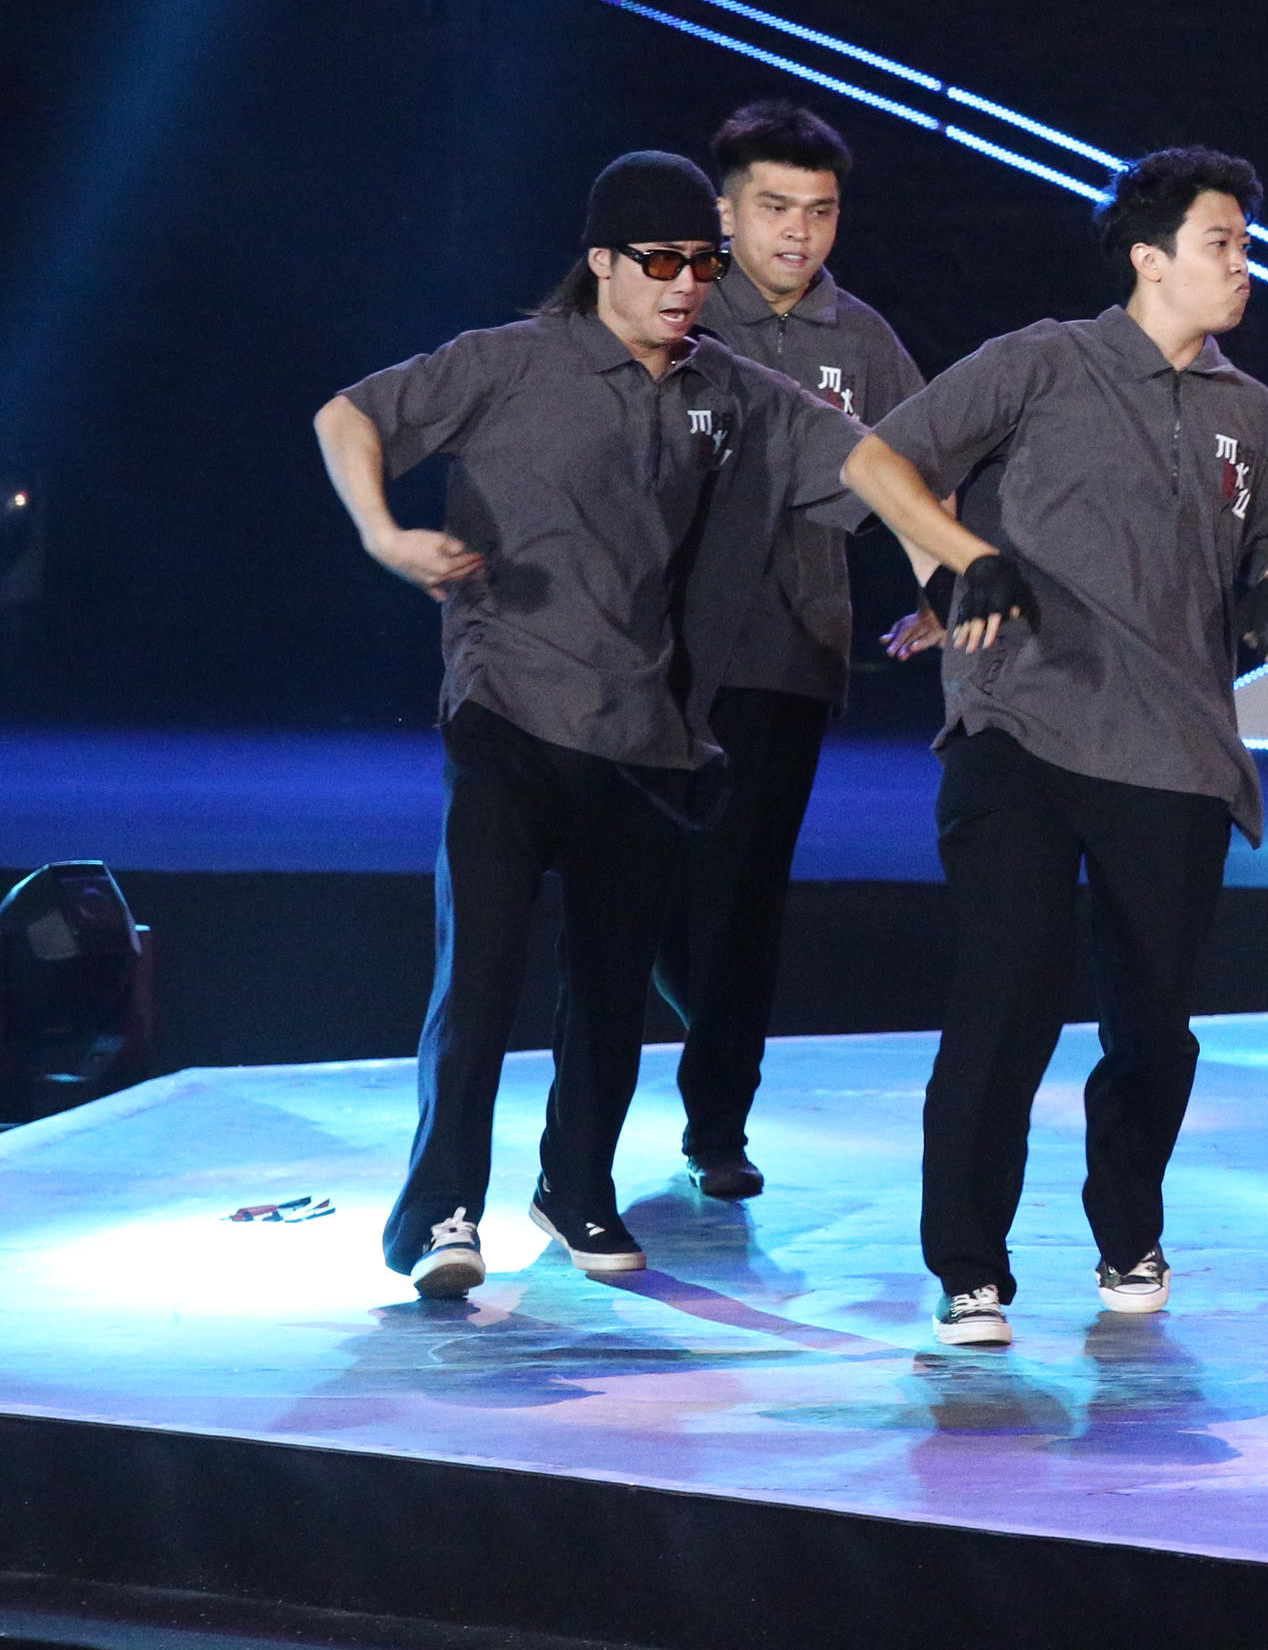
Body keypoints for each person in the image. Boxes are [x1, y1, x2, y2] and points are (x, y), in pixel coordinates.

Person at [313, 152, 980, 1299]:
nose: (685, 285)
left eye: (702, 264)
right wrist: (383, 531)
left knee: (612, 983)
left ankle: (576, 1183)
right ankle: (440, 1210)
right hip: (508, 709)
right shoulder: (510, 361)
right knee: (482, 974)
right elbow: (351, 413)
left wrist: (961, 560)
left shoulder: (730, 389)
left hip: (647, 727)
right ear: (602, 261)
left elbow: (867, 458)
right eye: (662, 262)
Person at [854, 147, 1268, 1349]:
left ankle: (1128, 1229)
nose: (1244, 266)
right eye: (1222, 244)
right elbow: (878, 459)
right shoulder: (1044, 361)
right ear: (1149, 258)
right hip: (1021, 723)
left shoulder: (1245, 409)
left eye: (1246, 245)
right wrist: (966, 559)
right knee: (1005, 996)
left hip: (1175, 749)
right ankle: (970, 1266)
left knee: (1155, 1026)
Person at [663, 100, 927, 1202]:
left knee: (747, 898)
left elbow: (926, 465)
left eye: (820, 211)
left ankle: (717, 1125)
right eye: (775, 208)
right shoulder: (675, 303)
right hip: (651, 652)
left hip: (787, 655)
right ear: (725, 213)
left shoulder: (858, 339)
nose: (798, 231)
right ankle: (578, 1140)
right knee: (641, 890)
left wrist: (942, 582)